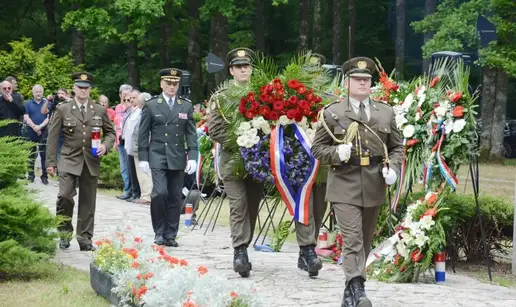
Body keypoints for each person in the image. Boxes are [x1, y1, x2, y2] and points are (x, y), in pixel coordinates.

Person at [311, 57, 403, 307]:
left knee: (364, 238)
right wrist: (335, 154)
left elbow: (396, 146)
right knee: (352, 239)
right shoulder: (333, 112)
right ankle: (358, 288)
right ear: (347, 81)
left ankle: (348, 294)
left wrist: (393, 168)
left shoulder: (385, 111)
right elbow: (317, 148)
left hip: (374, 181)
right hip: (343, 181)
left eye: (367, 80)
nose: (363, 84)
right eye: (358, 79)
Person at [207, 47, 263, 278]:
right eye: (239, 66)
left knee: (251, 206)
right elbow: (215, 129)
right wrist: (242, 139)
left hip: (257, 162)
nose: (243, 70)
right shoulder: (221, 97)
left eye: (246, 66)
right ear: (231, 70)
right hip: (232, 159)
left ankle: (244, 245)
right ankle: (239, 251)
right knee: (237, 206)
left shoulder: (261, 94)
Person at [46, 72, 116, 251]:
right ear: (74, 88)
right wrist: (50, 163)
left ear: (90, 89)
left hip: (91, 160)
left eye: (86, 88)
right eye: (80, 87)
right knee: (65, 195)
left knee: (88, 201)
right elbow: (53, 137)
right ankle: (64, 233)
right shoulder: (63, 108)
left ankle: (85, 239)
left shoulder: (99, 109)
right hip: (69, 158)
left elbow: (110, 133)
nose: (83, 91)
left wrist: (105, 146)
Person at [138, 68, 198, 247]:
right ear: (161, 84)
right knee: (159, 193)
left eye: (175, 83)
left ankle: (170, 234)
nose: (172, 86)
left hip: (178, 155)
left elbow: (191, 134)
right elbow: (143, 133)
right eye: (168, 83)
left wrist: (193, 156)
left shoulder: (185, 105)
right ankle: (159, 231)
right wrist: (143, 157)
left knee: (174, 196)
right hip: (157, 154)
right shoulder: (151, 105)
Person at [295, 52, 328, 278]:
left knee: (319, 209)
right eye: (309, 72)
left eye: (317, 72)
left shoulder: (330, 99)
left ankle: (307, 251)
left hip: (324, 165)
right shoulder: (293, 99)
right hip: (300, 165)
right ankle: (308, 250)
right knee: (305, 208)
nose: (314, 76)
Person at [24, 84, 50, 184]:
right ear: (33, 93)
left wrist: (40, 127)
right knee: (31, 154)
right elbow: (26, 117)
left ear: (42, 92)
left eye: (40, 92)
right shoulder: (28, 103)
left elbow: (49, 117)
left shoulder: (47, 103)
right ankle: (31, 175)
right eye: (36, 92)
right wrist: (35, 127)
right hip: (31, 131)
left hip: (44, 132)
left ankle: (44, 177)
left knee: (44, 156)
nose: (38, 94)